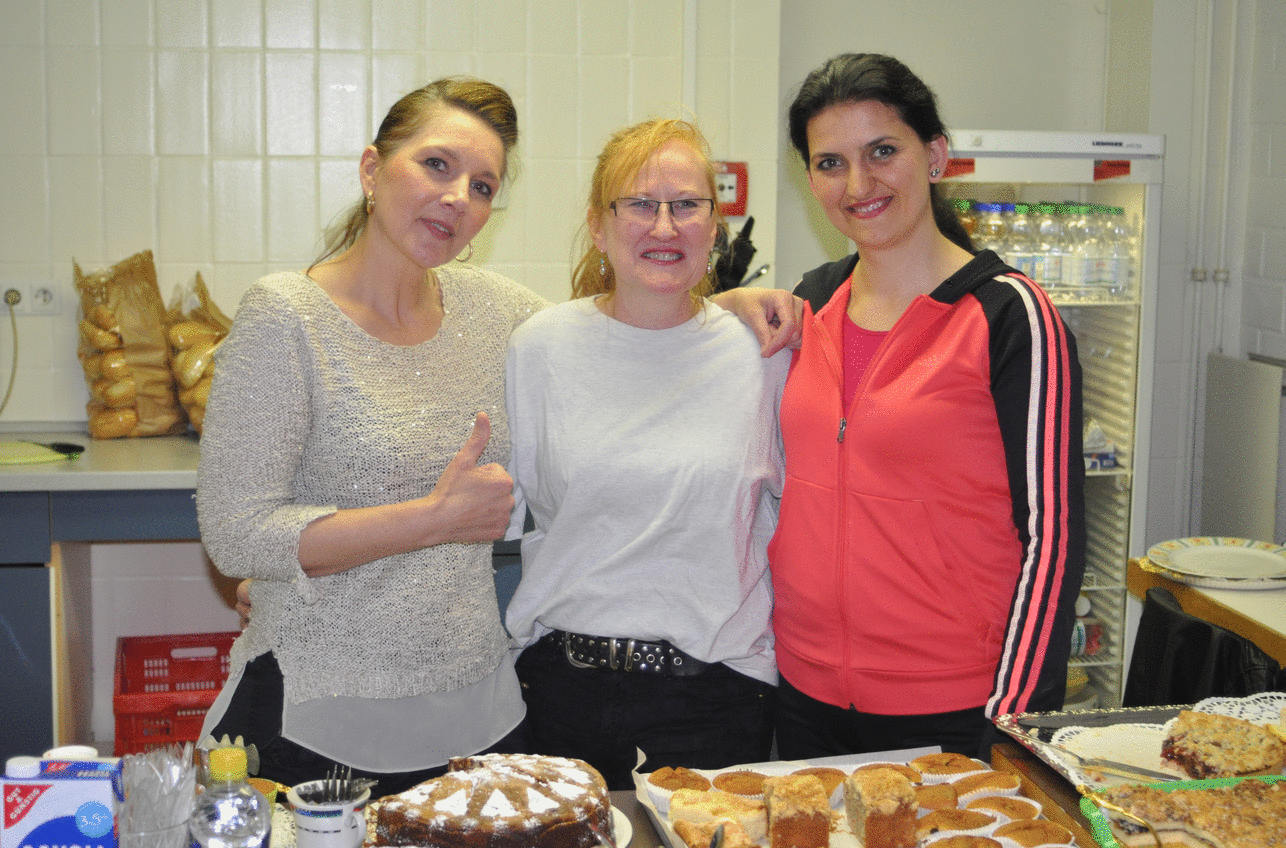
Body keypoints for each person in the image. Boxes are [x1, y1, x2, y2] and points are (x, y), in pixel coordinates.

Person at [199, 78, 800, 796]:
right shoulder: (287, 315)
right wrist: (432, 520)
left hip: (480, 720)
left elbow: (629, 335)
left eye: (482, 186)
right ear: (371, 170)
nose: (458, 197)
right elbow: (237, 534)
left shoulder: (498, 315)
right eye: (437, 165)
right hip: (319, 715)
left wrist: (724, 310)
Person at [768, 53, 1086, 761]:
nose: (859, 185)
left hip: (955, 707)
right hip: (804, 693)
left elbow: (1054, 540)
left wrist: (1013, 721)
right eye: (830, 163)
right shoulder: (811, 301)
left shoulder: (1010, 316)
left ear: (935, 155)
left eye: (883, 151)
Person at [503, 119, 790, 790]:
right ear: (598, 227)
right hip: (558, 692)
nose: (665, 226)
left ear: (714, 226)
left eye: (686, 205)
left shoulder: (765, 355)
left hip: (719, 696)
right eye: (639, 204)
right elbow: (494, 515)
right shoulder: (539, 348)